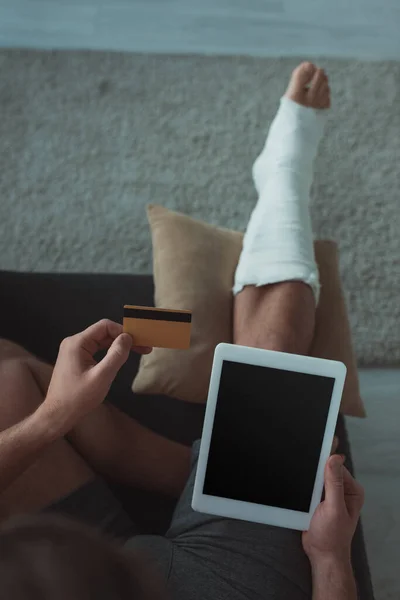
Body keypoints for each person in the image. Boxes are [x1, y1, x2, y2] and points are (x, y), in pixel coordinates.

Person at [0, 62, 364, 599]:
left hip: (83, 577)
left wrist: (56, 416)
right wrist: (331, 556)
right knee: (271, 365)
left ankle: (198, 472)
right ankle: (284, 171)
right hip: (221, 587)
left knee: (8, 381)